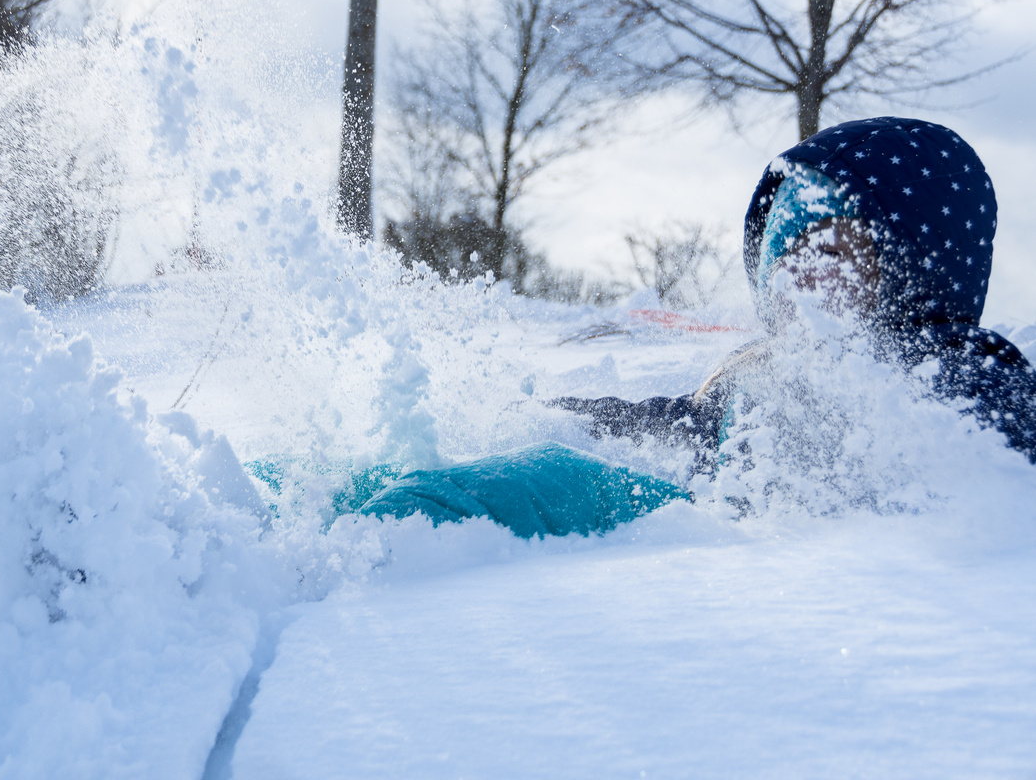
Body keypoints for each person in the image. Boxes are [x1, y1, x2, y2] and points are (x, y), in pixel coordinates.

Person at [357, 117, 1036, 536]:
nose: (796, 279)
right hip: (710, 515)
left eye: (829, 250)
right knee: (441, 471)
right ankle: (345, 492)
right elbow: (680, 422)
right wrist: (557, 411)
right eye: (784, 253)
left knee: (533, 486)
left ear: (917, 268)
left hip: (758, 557)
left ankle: (392, 535)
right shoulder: (769, 376)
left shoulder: (963, 378)